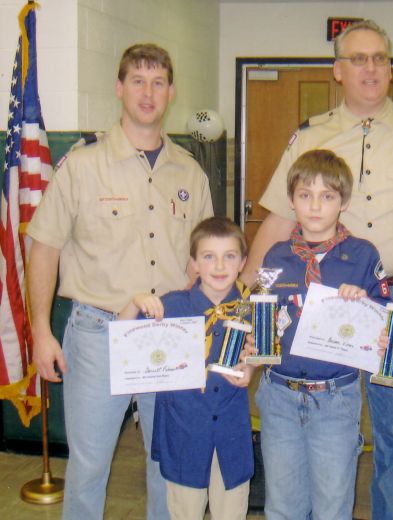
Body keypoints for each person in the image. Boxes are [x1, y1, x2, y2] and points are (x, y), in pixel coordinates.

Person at [244, 19, 393, 519]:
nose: (370, 68)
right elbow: (278, 219)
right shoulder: (311, 136)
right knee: (327, 419)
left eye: (380, 58)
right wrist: (242, 295)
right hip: (318, 304)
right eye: (358, 59)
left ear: (390, 69)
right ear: (338, 70)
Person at [27, 43, 213, 519]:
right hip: (97, 334)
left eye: (157, 82)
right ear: (119, 88)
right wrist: (42, 333)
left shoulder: (189, 171)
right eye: (137, 81)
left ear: (171, 92)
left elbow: (204, 261)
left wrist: (206, 331)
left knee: (164, 465)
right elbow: (43, 247)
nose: (147, 93)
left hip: (167, 334)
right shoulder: (82, 165)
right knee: (88, 469)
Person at [249, 149, 387, 519]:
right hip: (279, 396)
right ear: (291, 200)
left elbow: (386, 324)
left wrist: (363, 306)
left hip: (335, 400)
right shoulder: (276, 256)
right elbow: (264, 318)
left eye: (327, 196)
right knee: (282, 506)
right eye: (305, 195)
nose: (315, 206)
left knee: (332, 505)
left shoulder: (362, 255)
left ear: (343, 202)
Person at [120, 216, 255, 520]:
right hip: (185, 430)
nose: (219, 266)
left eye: (229, 257)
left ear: (242, 262)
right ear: (194, 262)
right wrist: (135, 302)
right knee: (185, 512)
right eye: (209, 257)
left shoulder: (251, 305)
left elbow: (259, 353)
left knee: (232, 511)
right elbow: (122, 338)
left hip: (231, 433)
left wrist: (251, 368)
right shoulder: (171, 306)